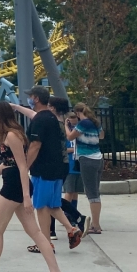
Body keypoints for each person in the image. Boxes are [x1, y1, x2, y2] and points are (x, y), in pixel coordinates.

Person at [0, 101, 67, 272]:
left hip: (14, 185)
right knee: (34, 232)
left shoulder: (12, 135)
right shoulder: (12, 133)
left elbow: (22, 166)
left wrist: (27, 197)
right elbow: (8, 163)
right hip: (16, 184)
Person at [21, 87, 83, 253]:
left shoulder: (40, 120)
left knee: (41, 207)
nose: (29, 99)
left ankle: (45, 243)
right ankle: (71, 229)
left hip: (43, 169)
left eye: (30, 96)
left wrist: (25, 166)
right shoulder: (52, 118)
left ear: (36, 98)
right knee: (53, 204)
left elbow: (35, 145)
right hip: (59, 167)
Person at [68, 102, 104, 234]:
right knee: (95, 191)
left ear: (77, 113)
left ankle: (96, 225)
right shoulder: (95, 122)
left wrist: (67, 126)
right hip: (98, 158)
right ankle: (95, 223)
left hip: (87, 159)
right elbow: (102, 136)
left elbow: (70, 136)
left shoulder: (83, 123)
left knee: (92, 193)